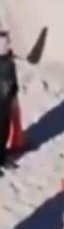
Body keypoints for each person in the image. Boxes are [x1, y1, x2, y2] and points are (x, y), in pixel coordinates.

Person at [0, 31, 19, 174]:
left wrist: (14, 95)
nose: (9, 44)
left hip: (6, 100)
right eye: (5, 42)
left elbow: (13, 79)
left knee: (5, 130)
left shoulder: (9, 59)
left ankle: (2, 157)